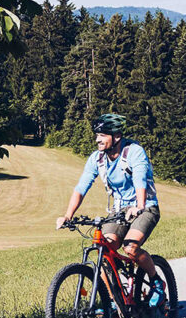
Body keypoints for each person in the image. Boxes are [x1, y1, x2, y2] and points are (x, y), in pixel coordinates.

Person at [58, 112, 160, 281]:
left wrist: (139, 206)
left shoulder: (134, 152)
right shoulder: (97, 158)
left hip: (145, 206)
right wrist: (68, 215)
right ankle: (115, 303)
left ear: (117, 136)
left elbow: (139, 180)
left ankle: (156, 280)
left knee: (131, 247)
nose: (98, 139)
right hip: (119, 210)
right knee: (103, 252)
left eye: (103, 135)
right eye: (97, 135)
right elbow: (81, 187)